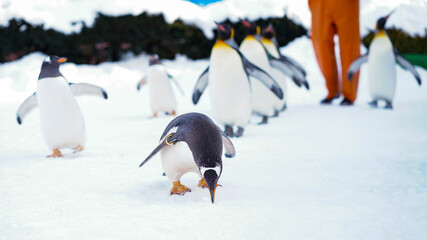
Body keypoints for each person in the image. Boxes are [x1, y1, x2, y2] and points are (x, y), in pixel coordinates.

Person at [309, 0, 361, 105]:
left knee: (349, 45)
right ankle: (332, 89)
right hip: (319, 3)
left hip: (346, 3)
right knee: (320, 43)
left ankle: (349, 93)